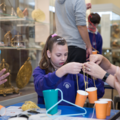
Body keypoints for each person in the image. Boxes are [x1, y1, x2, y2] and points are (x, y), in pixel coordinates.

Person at [33, 34, 104, 105]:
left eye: (66, 54)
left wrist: (95, 78)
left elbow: (98, 93)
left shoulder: (73, 74)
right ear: (49, 53)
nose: (63, 58)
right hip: (46, 115)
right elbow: (40, 88)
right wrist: (62, 70)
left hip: (69, 115)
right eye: (58, 55)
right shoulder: (40, 71)